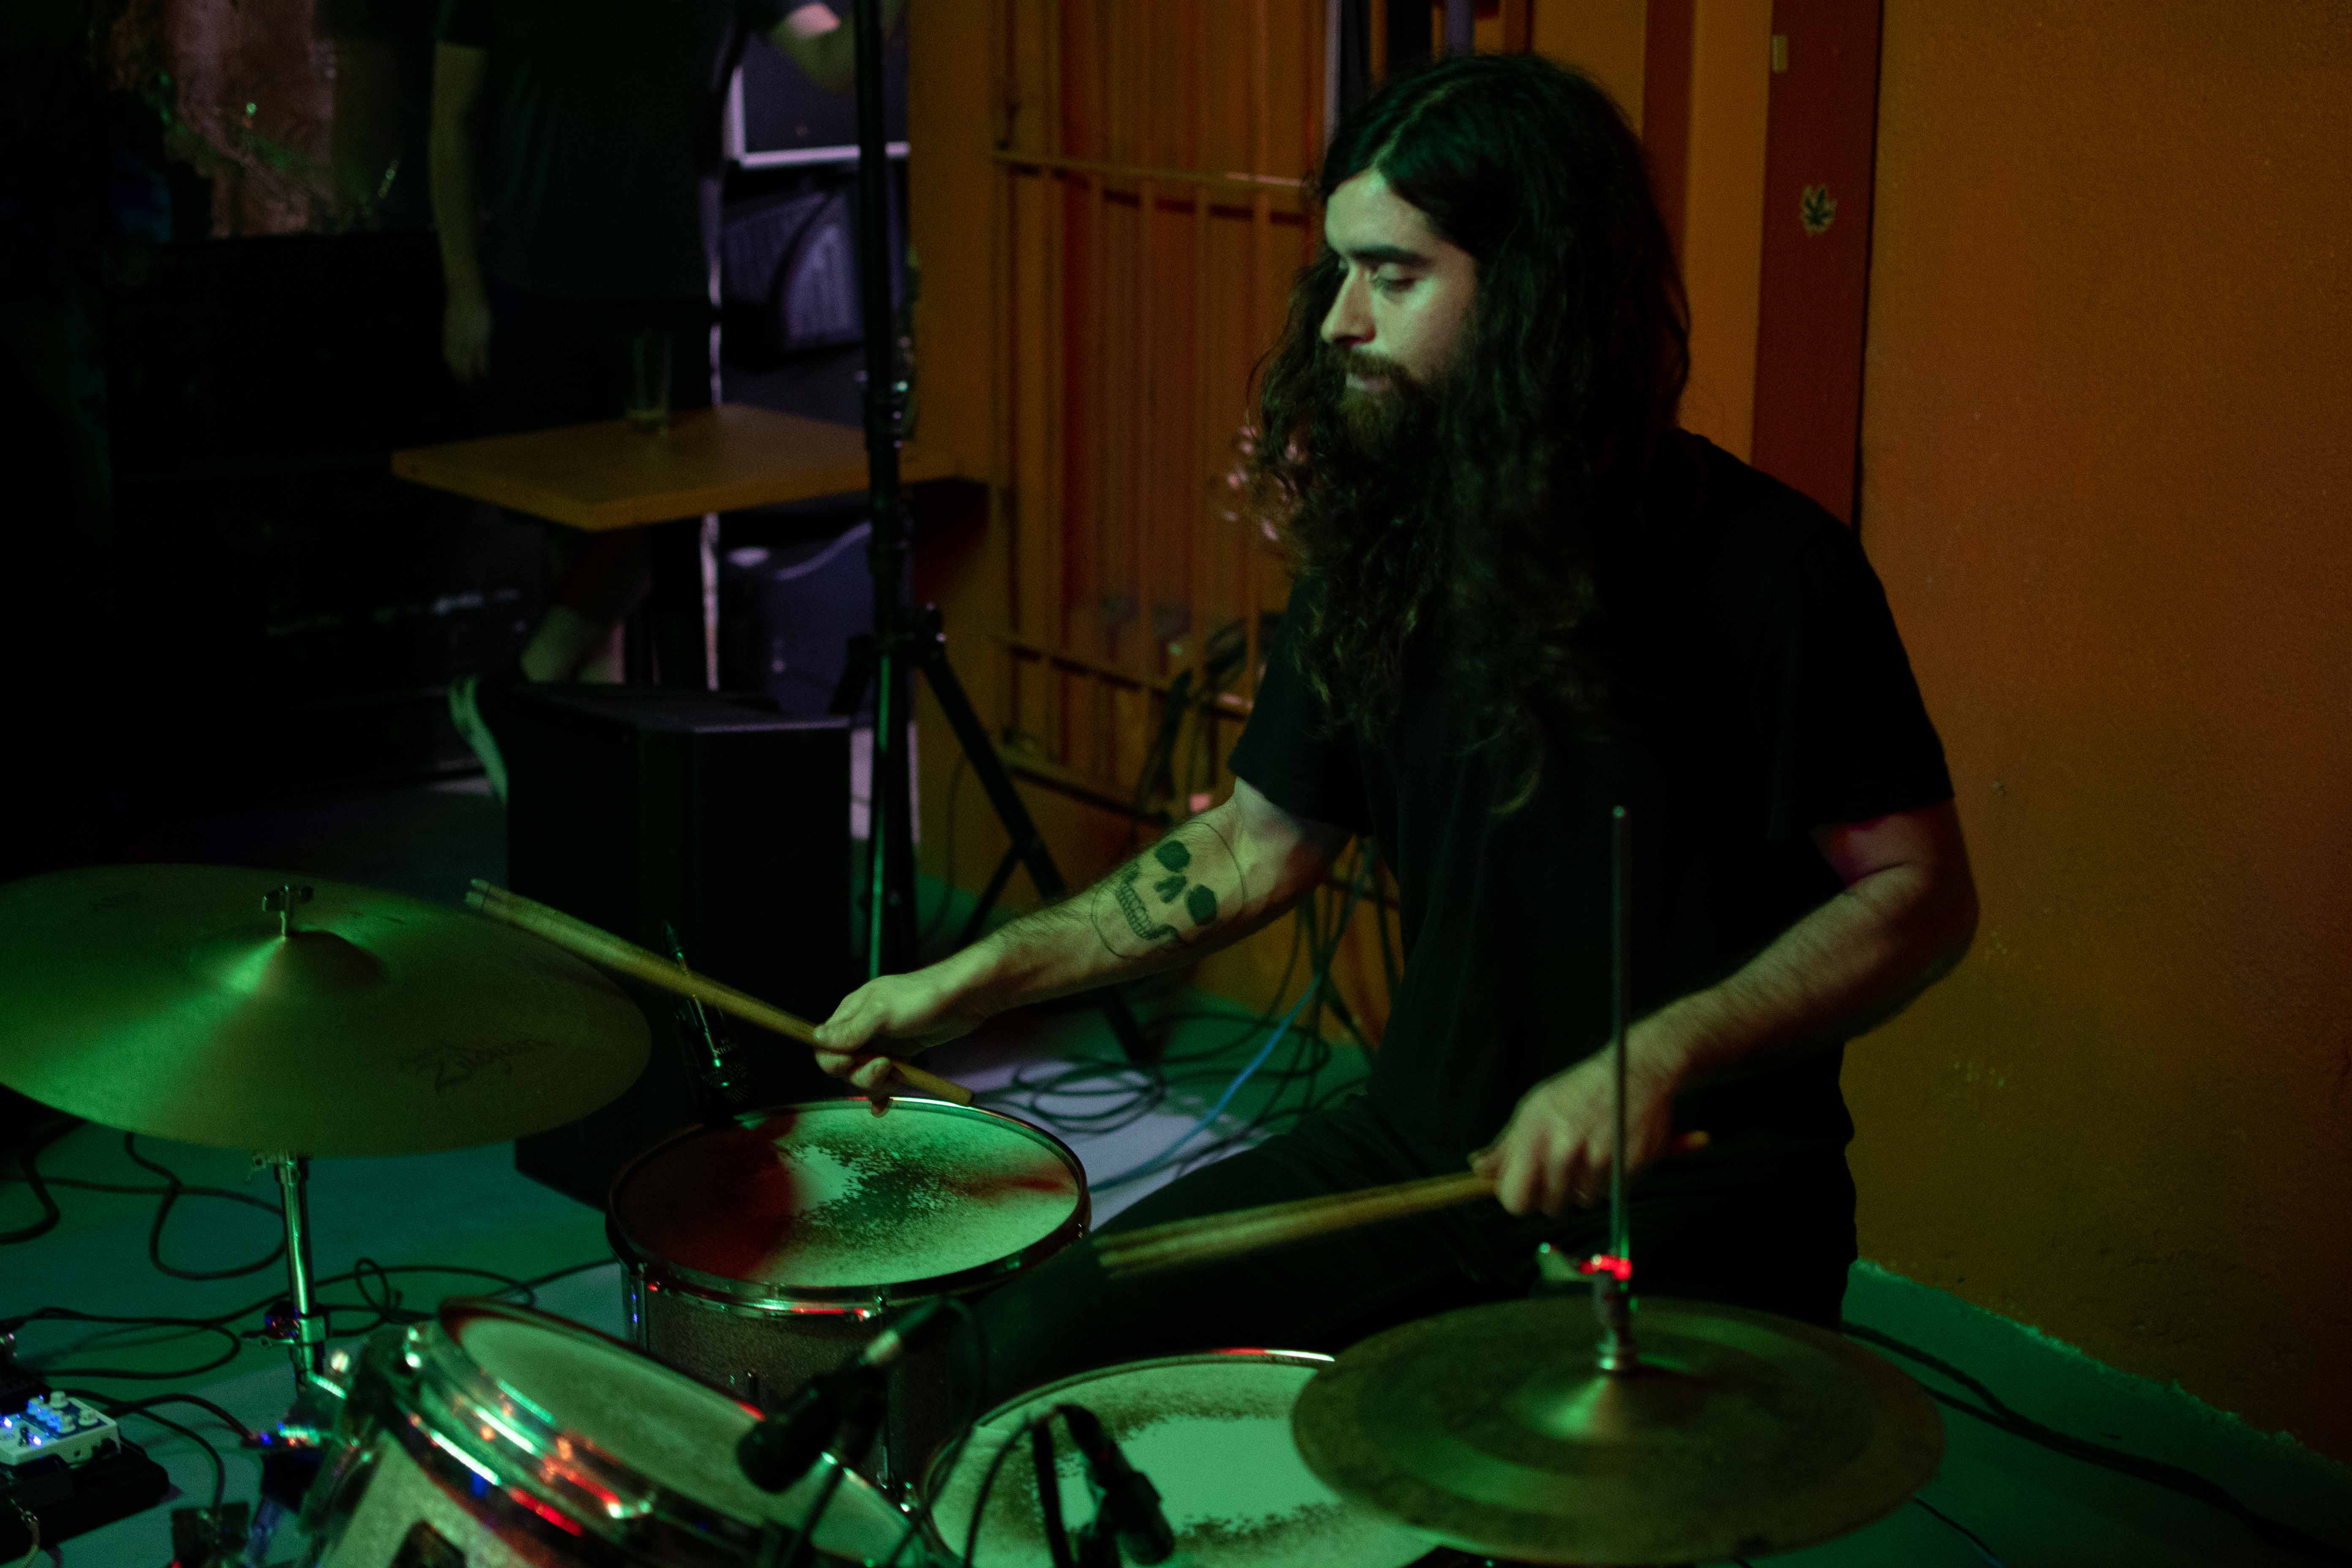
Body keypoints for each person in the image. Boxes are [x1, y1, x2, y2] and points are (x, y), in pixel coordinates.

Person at [812, 53, 1979, 1405]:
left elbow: (1918, 896)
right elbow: (1255, 845)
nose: (1339, 323)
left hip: (1689, 1197)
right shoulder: (1391, 554)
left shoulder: (1772, 571)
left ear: (1537, 291)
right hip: (1420, 1155)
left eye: (1394, 276)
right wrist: (981, 980)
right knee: (1009, 1361)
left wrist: (1656, 1057)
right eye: (1339, 273)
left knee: (1504, 1486)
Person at [430, 0, 892, 795]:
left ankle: (520, 695)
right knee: (580, 541)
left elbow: (835, 63)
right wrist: (463, 287)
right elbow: (452, 121)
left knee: (657, 525)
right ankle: (578, 767)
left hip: (660, 291)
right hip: (537, 284)